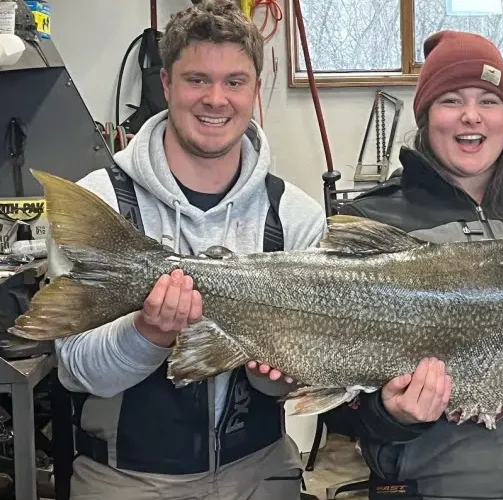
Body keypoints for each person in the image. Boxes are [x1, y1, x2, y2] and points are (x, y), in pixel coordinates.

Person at [320, 30, 503, 500]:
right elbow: (335, 399)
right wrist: (389, 414)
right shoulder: (373, 220)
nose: (471, 116)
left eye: (488, 100)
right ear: (425, 116)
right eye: (450, 100)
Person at [51, 1, 326, 498]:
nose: (216, 99)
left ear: (255, 89)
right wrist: (147, 334)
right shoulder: (99, 204)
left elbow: (292, 385)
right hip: (125, 478)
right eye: (198, 79)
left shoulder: (296, 216)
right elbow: (74, 370)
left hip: (261, 469)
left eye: (235, 82)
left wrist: (276, 375)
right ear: (167, 84)